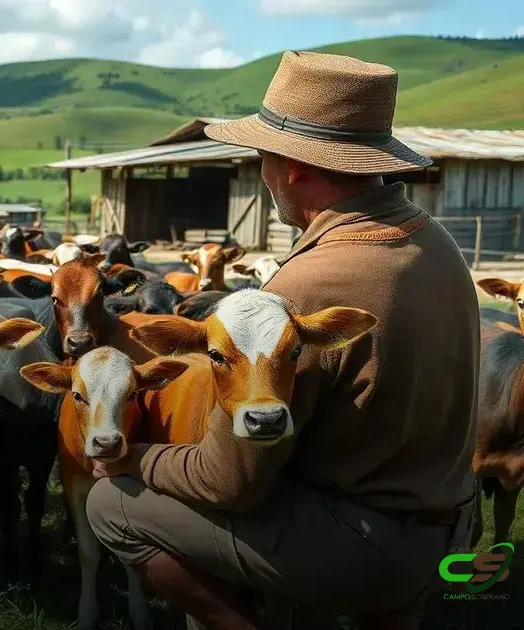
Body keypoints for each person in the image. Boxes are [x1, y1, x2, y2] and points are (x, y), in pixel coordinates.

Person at [85, 50, 480, 630]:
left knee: (110, 506)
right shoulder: (434, 241)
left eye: (262, 157)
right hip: (451, 528)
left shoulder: (304, 285)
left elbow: (230, 483)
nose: (263, 173)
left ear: (292, 165)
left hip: (369, 545)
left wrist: (133, 456)